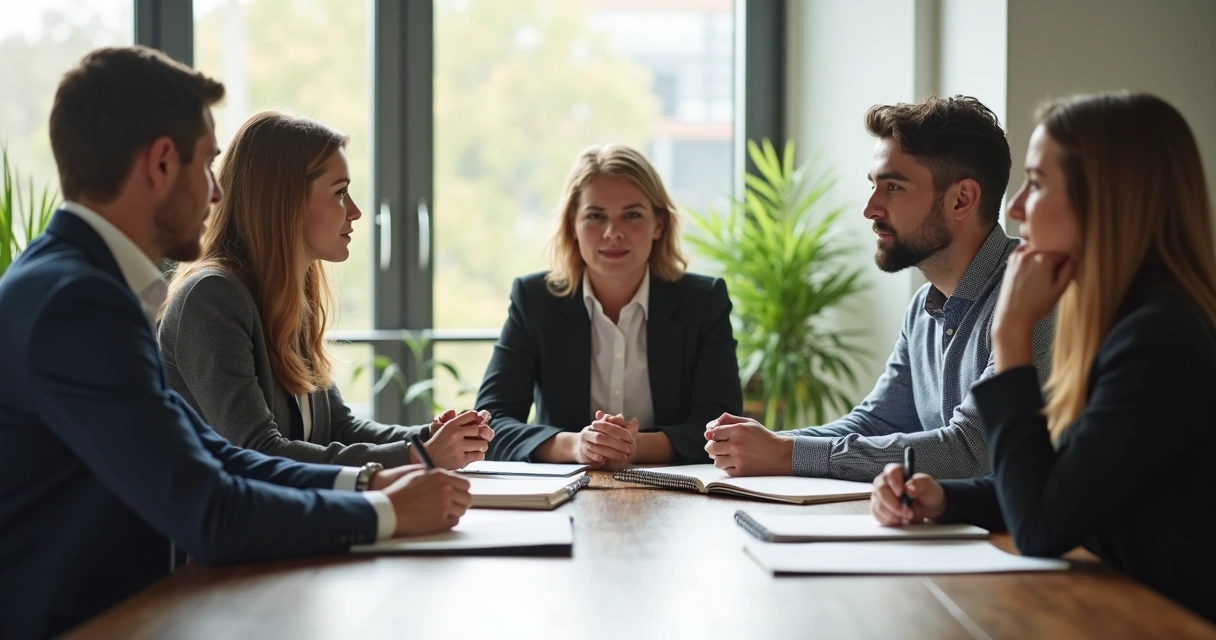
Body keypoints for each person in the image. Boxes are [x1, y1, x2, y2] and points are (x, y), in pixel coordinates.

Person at [0, 46, 471, 640]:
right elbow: (210, 509)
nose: (218, 194)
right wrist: (386, 511)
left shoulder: (82, 284)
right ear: (162, 163)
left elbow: (209, 453)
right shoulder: (77, 304)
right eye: (208, 166)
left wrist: (370, 483)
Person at [870, 91, 1216, 622]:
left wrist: (1011, 334)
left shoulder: (1160, 338)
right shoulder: (1126, 319)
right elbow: (1063, 485)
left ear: (1103, 197)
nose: (1014, 207)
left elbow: (1040, 527)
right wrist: (944, 500)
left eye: (1037, 183)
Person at [704, 95, 1054, 482]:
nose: (870, 208)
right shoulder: (924, 306)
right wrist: (763, 442)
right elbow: (875, 423)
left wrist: (786, 453)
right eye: (873, 185)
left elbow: (973, 452)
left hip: (1024, 542)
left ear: (961, 199)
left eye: (893, 187)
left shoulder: (1034, 297)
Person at [159, 110, 492, 470]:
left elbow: (338, 427)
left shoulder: (286, 295)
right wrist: (418, 456)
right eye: (340, 193)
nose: (356, 212)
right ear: (283, 203)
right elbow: (258, 452)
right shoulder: (211, 297)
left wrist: (430, 437)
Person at [476, 144, 742, 467]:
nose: (613, 233)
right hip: (562, 495)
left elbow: (723, 428)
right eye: (595, 216)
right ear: (572, 225)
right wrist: (577, 446)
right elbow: (490, 424)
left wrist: (631, 446)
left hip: (677, 495)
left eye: (631, 215)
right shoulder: (534, 301)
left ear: (658, 224)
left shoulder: (703, 302)